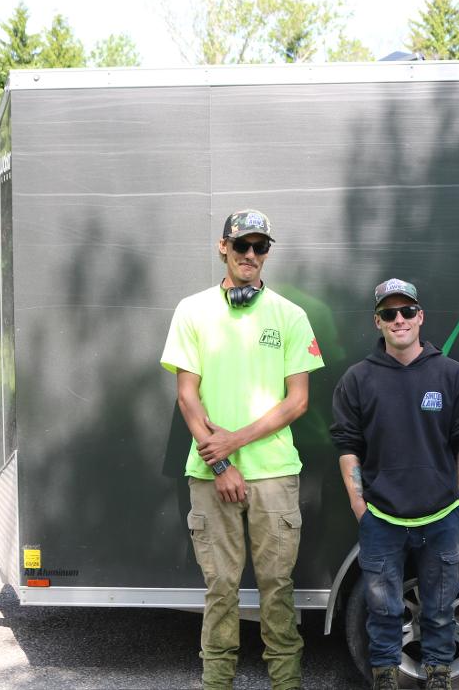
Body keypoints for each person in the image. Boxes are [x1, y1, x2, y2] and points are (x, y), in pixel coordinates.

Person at [161, 209, 325, 690]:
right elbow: (187, 396)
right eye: (241, 245)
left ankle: (286, 682)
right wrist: (222, 464)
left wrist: (234, 441)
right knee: (221, 589)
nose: (250, 254)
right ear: (223, 248)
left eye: (260, 247)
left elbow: (297, 401)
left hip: (274, 474)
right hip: (211, 476)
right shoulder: (192, 311)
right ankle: (217, 683)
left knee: (278, 589)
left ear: (267, 253)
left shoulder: (291, 316)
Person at [330, 278, 459, 690]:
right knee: (382, 610)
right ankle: (385, 676)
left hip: (441, 516)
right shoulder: (357, 380)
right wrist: (361, 508)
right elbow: (347, 448)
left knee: (441, 608)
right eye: (389, 313)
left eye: (407, 311)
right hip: (381, 518)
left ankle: (439, 675)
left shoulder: (450, 374)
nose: (399, 319)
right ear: (377, 321)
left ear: (420, 316)